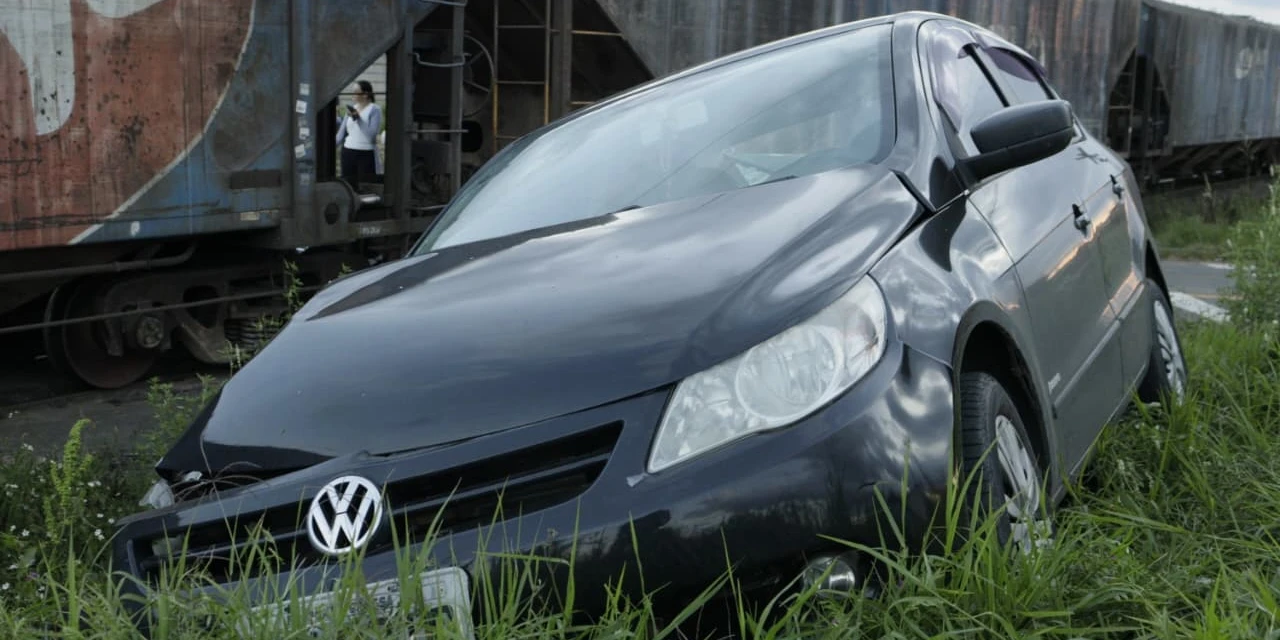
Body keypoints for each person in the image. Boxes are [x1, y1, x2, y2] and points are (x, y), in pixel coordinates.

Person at [335, 80, 383, 192]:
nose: (353, 94)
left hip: (365, 153)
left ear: (365, 95)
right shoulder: (352, 107)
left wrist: (358, 119)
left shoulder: (374, 109)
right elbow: (341, 134)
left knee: (366, 186)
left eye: (356, 92)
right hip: (348, 151)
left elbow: (371, 136)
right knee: (348, 185)